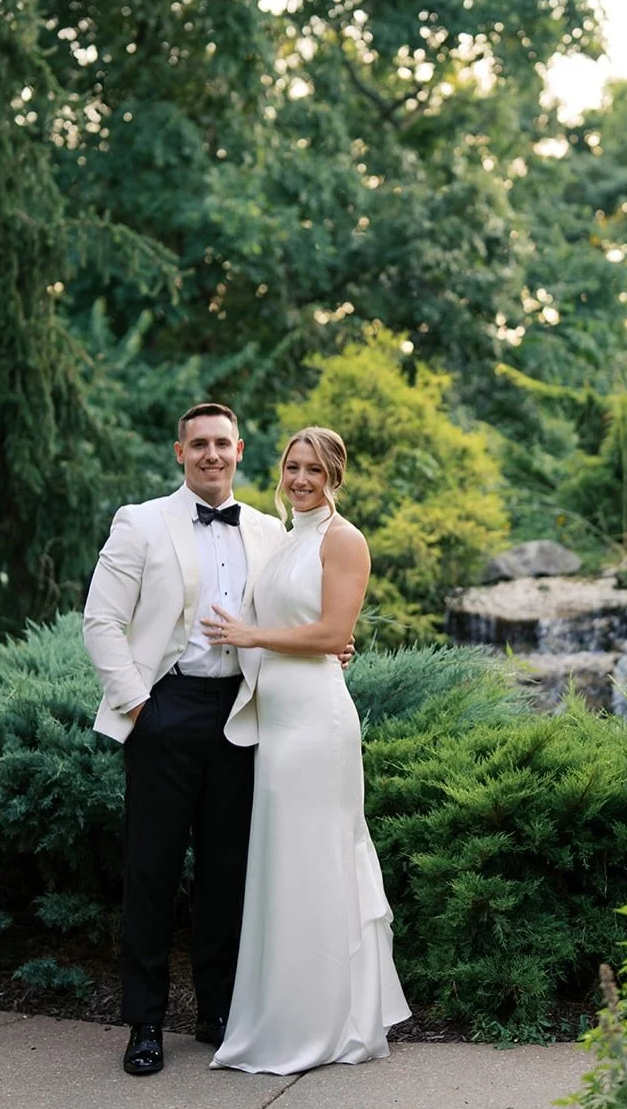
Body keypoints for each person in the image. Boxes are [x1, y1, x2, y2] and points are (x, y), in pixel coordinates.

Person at [82, 402, 289, 1077]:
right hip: (166, 708)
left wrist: (331, 646)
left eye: (221, 443)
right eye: (197, 443)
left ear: (239, 451)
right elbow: (101, 622)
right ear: (179, 452)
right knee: (152, 871)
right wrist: (140, 706)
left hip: (241, 711)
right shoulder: (140, 522)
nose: (210, 454)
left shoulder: (267, 528)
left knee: (226, 873)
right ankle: (144, 1023)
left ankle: (216, 1012)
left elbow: (290, 617)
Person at [202, 426, 410, 1075]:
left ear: (335, 478)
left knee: (316, 860)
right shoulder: (284, 537)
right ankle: (281, 1014)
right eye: (292, 467)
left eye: (313, 470)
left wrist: (248, 635)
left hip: (317, 724)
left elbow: (330, 633)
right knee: (283, 864)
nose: (300, 479)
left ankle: (328, 1023)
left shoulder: (343, 540)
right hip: (278, 720)